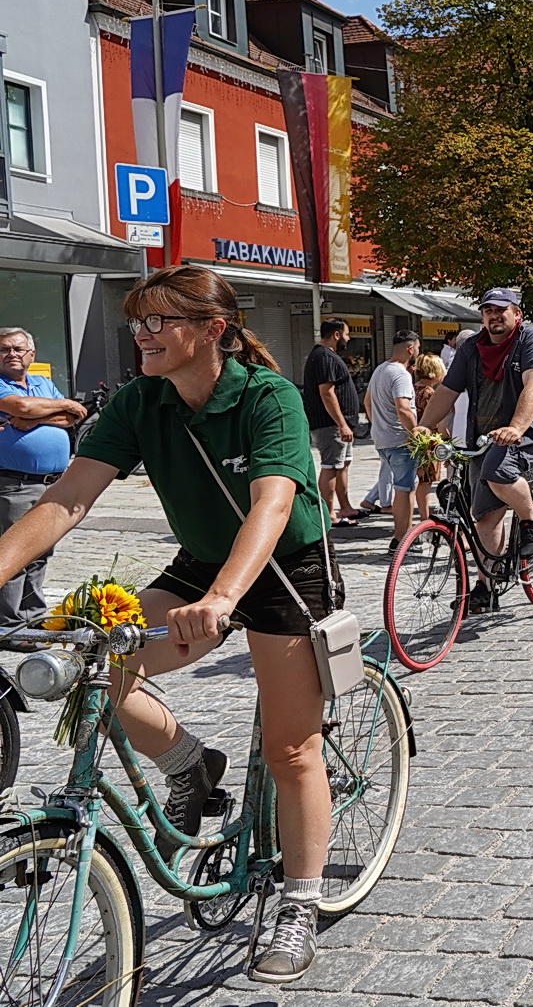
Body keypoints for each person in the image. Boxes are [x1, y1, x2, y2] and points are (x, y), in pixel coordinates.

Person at [0, 265, 340, 982]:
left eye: (160, 321)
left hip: (283, 567)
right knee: (94, 656)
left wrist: (221, 600)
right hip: (204, 559)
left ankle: (299, 901)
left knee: (290, 748)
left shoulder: (267, 396)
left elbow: (271, 508)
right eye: (138, 321)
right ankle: (189, 762)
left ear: (212, 330)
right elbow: (67, 499)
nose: (143, 334)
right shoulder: (137, 402)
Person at [417, 288, 533, 612]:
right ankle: (486, 586)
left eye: (501, 310)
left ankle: (529, 520)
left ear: (516, 314)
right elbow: (447, 390)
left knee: (499, 472)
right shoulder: (471, 347)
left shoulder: (532, 341)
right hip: (482, 438)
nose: (494, 316)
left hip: (528, 432)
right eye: (487, 310)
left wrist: (516, 428)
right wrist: (425, 424)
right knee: (485, 516)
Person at [0, 327, 84, 627]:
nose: (12, 354)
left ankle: (33, 618)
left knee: (39, 553)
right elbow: (21, 406)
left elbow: (73, 417)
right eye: (5, 349)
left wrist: (40, 415)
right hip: (15, 484)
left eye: (18, 349)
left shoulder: (42, 383)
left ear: (31, 355)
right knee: (15, 552)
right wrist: (61, 405)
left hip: (53, 483)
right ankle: (11, 625)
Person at [365, 330, 422, 551]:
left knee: (402, 486)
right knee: (404, 489)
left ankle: (402, 536)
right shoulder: (401, 374)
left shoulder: (380, 369)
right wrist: (415, 432)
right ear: (410, 349)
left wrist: (378, 425)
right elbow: (403, 407)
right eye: (417, 348)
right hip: (400, 439)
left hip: (382, 438)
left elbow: (368, 401)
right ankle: (402, 539)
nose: (418, 352)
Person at [303, 319, 362, 526]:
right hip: (330, 424)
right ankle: (328, 514)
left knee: (342, 464)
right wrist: (341, 423)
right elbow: (327, 393)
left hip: (337, 423)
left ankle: (345, 506)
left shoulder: (326, 356)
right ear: (336, 335)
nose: (348, 338)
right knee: (331, 465)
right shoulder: (324, 357)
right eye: (346, 334)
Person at [411, 352, 447, 523]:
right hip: (429, 441)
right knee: (425, 481)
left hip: (414, 438)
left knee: (419, 480)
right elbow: (438, 421)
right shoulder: (430, 393)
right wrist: (446, 438)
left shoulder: (414, 388)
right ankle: (425, 517)